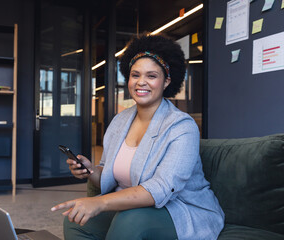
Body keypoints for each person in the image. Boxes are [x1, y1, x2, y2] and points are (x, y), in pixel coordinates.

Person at [51, 34, 224, 240]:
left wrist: (100, 202)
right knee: (76, 220)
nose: (141, 82)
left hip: (181, 210)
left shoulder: (182, 126)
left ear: (167, 81)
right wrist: (90, 171)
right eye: (135, 75)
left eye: (151, 76)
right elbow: (108, 176)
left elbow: (160, 188)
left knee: (130, 222)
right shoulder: (119, 121)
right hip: (130, 208)